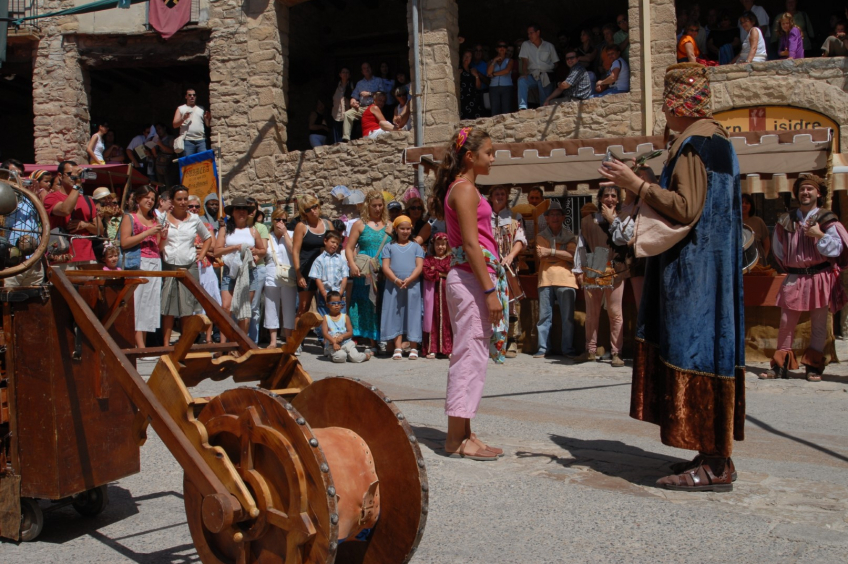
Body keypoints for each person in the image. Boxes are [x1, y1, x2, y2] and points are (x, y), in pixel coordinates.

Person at [598, 62, 745, 492]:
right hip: (711, 270)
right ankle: (712, 451)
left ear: (673, 105)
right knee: (710, 350)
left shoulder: (696, 143)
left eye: (665, 106)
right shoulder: (716, 139)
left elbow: (685, 207)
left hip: (694, 274)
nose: (663, 115)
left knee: (695, 350)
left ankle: (715, 464)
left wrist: (636, 184)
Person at [432, 126, 504, 461]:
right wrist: (489, 291)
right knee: (469, 354)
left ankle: (465, 432)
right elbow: (472, 245)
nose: (493, 158)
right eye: (488, 152)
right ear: (470, 156)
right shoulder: (464, 190)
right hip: (471, 281)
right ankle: (453, 439)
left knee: (474, 354)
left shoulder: (465, 188)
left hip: (472, 279)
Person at [763, 175, 848, 381]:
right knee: (786, 321)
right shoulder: (786, 220)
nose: (805, 193)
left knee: (818, 323)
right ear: (797, 194)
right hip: (795, 276)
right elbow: (778, 250)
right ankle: (780, 365)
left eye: (810, 189)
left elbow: (838, 248)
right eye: (802, 189)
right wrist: (794, 266)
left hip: (820, 276)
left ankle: (813, 366)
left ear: (818, 193)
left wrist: (819, 235)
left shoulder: (827, 219)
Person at [572, 186, 628, 367]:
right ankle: (590, 350)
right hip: (594, 265)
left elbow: (625, 239)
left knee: (615, 313)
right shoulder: (588, 221)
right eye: (606, 196)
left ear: (618, 199)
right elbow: (581, 245)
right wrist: (578, 269)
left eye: (613, 195)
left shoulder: (624, 219)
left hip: (616, 268)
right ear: (600, 199)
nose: (610, 199)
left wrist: (612, 220)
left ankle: (616, 353)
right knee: (592, 313)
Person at [159, 185, 213, 347]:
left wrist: (201, 255)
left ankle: (184, 342)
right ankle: (166, 344)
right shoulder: (162, 218)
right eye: (179, 199)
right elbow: (158, 243)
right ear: (172, 201)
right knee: (168, 306)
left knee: (187, 307)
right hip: (169, 266)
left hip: (189, 266)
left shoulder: (194, 219)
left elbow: (208, 238)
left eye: (185, 199)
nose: (183, 202)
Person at [346, 190, 391, 353]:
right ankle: (358, 335)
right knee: (363, 302)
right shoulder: (360, 224)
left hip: (383, 269)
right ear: (368, 206)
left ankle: (378, 336)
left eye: (380, 205)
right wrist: (352, 264)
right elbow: (349, 248)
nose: (377, 208)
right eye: (374, 206)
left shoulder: (389, 224)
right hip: (364, 269)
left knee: (379, 303)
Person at [119, 185, 163, 348]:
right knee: (138, 302)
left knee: (150, 303)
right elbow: (124, 242)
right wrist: (147, 232)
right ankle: (139, 345)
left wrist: (162, 236)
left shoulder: (154, 220)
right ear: (138, 199)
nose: (150, 201)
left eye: (153, 198)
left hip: (155, 261)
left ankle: (143, 343)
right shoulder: (129, 218)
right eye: (147, 197)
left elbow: (159, 245)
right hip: (138, 262)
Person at [533, 200, 578, 359]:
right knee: (544, 317)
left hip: (566, 279)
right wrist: (561, 252)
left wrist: (550, 251)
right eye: (551, 215)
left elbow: (572, 257)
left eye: (558, 214)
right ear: (546, 218)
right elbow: (541, 255)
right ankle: (543, 348)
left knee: (568, 318)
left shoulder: (570, 235)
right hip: (545, 278)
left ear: (563, 217)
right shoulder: (540, 236)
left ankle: (567, 349)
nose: (555, 218)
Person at [215, 197, 266, 336]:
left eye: (244, 209)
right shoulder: (225, 230)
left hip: (248, 271)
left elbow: (263, 251)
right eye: (238, 209)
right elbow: (217, 251)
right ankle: (224, 344)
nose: (242, 212)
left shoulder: (253, 231)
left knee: (244, 309)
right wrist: (235, 247)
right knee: (226, 307)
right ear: (233, 212)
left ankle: (240, 343)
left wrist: (255, 254)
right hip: (229, 271)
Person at [489, 185, 526, 358]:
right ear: (490, 197)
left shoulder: (515, 217)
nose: (499, 196)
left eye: (502, 193)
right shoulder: (483, 217)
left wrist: (510, 256)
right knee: (489, 302)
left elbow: (520, 238)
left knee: (510, 304)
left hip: (508, 266)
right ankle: (492, 340)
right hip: (489, 265)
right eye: (496, 193)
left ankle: (511, 341)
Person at [381, 215, 425, 360]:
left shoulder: (416, 247)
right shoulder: (389, 247)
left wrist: (410, 279)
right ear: (396, 229)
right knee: (395, 313)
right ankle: (398, 347)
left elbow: (419, 266)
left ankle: (414, 347)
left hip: (412, 285)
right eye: (402, 228)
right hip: (393, 286)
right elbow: (385, 267)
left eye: (408, 228)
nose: (405, 231)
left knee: (413, 313)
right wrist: (395, 280)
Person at [44, 160, 101, 269]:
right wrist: (77, 186)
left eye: (77, 174)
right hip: (62, 257)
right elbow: (65, 210)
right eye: (70, 174)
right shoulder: (51, 198)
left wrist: (86, 225)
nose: (74, 177)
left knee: (89, 286)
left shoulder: (87, 200)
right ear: (60, 176)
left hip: (86, 257)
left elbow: (100, 230)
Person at [188, 194, 220, 344]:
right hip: (190, 265)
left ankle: (208, 337)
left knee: (208, 302)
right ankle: (193, 335)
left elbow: (212, 245)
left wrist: (200, 247)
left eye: (196, 207)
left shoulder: (206, 226)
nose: (194, 209)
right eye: (191, 206)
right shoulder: (182, 224)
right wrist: (202, 247)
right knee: (191, 302)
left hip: (205, 266)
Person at [264, 207, 297, 348]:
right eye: (278, 219)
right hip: (271, 274)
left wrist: (285, 234)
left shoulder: (291, 234)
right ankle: (273, 341)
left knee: (289, 307)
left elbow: (293, 250)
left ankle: (289, 339)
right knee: (271, 308)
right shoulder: (268, 236)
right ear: (273, 220)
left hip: (288, 274)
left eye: (284, 220)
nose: (281, 222)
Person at [309, 230, 349, 337]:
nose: (334, 245)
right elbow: (317, 277)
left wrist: (341, 292)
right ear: (325, 241)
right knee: (324, 317)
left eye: (337, 243)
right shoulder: (319, 260)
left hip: (339, 294)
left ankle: (340, 338)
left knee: (340, 317)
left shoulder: (341, 259)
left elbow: (345, 276)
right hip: (325, 294)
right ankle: (324, 339)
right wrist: (323, 293)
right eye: (332, 242)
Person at [423, 232, 453, 359]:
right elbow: (426, 272)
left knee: (449, 319)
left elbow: (451, 271)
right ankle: (432, 348)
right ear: (433, 245)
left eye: (443, 244)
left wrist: (437, 271)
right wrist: (442, 274)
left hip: (448, 294)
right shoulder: (428, 259)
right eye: (438, 244)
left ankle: (449, 348)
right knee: (432, 318)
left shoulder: (450, 259)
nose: (440, 247)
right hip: (432, 293)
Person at [321, 290, 371, 363]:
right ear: (328, 305)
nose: (337, 305)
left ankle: (366, 355)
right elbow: (325, 333)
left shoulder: (345, 317)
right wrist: (334, 342)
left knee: (356, 358)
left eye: (339, 303)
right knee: (340, 358)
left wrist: (342, 336)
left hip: (346, 343)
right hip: (333, 344)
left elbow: (350, 332)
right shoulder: (326, 318)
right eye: (333, 303)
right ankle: (331, 354)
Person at [517, 23, 559, 110]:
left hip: (546, 75)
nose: (529, 36)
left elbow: (556, 63)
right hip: (533, 75)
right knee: (522, 81)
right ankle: (522, 107)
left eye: (531, 33)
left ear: (538, 32)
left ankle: (543, 110)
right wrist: (525, 73)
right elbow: (525, 62)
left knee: (544, 98)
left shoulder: (549, 46)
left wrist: (550, 73)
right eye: (528, 33)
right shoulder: (526, 45)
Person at [342, 62, 384, 142]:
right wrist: (353, 102)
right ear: (362, 72)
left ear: (371, 69)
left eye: (368, 67)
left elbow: (383, 94)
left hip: (373, 107)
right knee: (348, 114)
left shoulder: (378, 80)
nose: (366, 69)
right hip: (362, 107)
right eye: (364, 68)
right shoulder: (359, 83)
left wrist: (369, 94)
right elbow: (354, 96)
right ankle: (346, 139)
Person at [248, 207, 270, 342]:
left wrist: (253, 256)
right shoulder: (235, 227)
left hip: (258, 267)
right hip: (238, 269)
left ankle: (253, 340)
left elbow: (263, 250)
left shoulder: (260, 228)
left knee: (254, 305)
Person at [173, 88, 211, 156]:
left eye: (194, 95)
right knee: (189, 164)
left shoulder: (201, 108)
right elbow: (174, 125)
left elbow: (207, 125)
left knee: (204, 161)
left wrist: (207, 119)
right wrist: (183, 118)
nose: (192, 97)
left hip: (201, 140)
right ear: (186, 96)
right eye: (190, 95)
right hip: (188, 141)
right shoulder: (180, 108)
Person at [487, 41, 515, 116]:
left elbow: (507, 71)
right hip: (493, 88)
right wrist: (494, 61)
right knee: (495, 111)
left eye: (504, 46)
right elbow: (488, 72)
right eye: (500, 46)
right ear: (496, 49)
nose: (502, 48)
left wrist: (494, 74)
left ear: (506, 49)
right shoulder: (491, 61)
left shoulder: (510, 60)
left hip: (507, 87)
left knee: (507, 111)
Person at [741, 194, 770, 263]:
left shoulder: (758, 221)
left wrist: (763, 259)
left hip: (757, 264)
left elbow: (767, 244)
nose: (744, 205)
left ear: (751, 206)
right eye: (741, 202)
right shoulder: (731, 223)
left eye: (747, 203)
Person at [459, 50, 484, 120]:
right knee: (464, 119)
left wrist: (476, 76)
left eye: (469, 57)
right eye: (465, 56)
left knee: (474, 119)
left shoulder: (472, 70)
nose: (467, 58)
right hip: (462, 98)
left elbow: (478, 87)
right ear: (462, 57)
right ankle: (463, 131)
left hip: (472, 99)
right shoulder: (458, 68)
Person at [331, 67, 353, 144]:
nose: (345, 74)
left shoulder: (351, 86)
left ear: (349, 75)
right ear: (340, 74)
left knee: (346, 139)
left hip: (347, 114)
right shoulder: (334, 86)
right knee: (336, 140)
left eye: (347, 72)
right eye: (343, 72)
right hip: (335, 114)